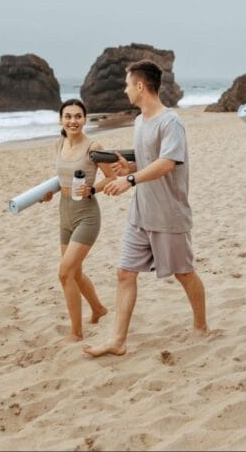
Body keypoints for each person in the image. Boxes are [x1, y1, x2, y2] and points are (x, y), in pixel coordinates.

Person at [84, 60, 207, 358]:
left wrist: (129, 179)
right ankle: (118, 340)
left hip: (168, 214)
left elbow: (167, 164)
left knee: (184, 273)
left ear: (140, 86)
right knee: (125, 273)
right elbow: (151, 161)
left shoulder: (171, 122)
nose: (125, 90)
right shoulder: (140, 121)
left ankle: (201, 326)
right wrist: (132, 166)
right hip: (141, 214)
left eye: (127, 84)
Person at [40, 99, 115, 341]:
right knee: (76, 272)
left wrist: (92, 190)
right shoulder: (59, 143)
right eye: (68, 116)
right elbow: (62, 175)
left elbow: (110, 177)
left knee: (65, 274)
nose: (73, 121)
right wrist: (51, 191)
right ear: (61, 119)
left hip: (87, 215)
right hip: (65, 213)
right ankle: (98, 309)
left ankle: (76, 332)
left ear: (84, 119)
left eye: (78, 116)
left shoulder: (94, 146)